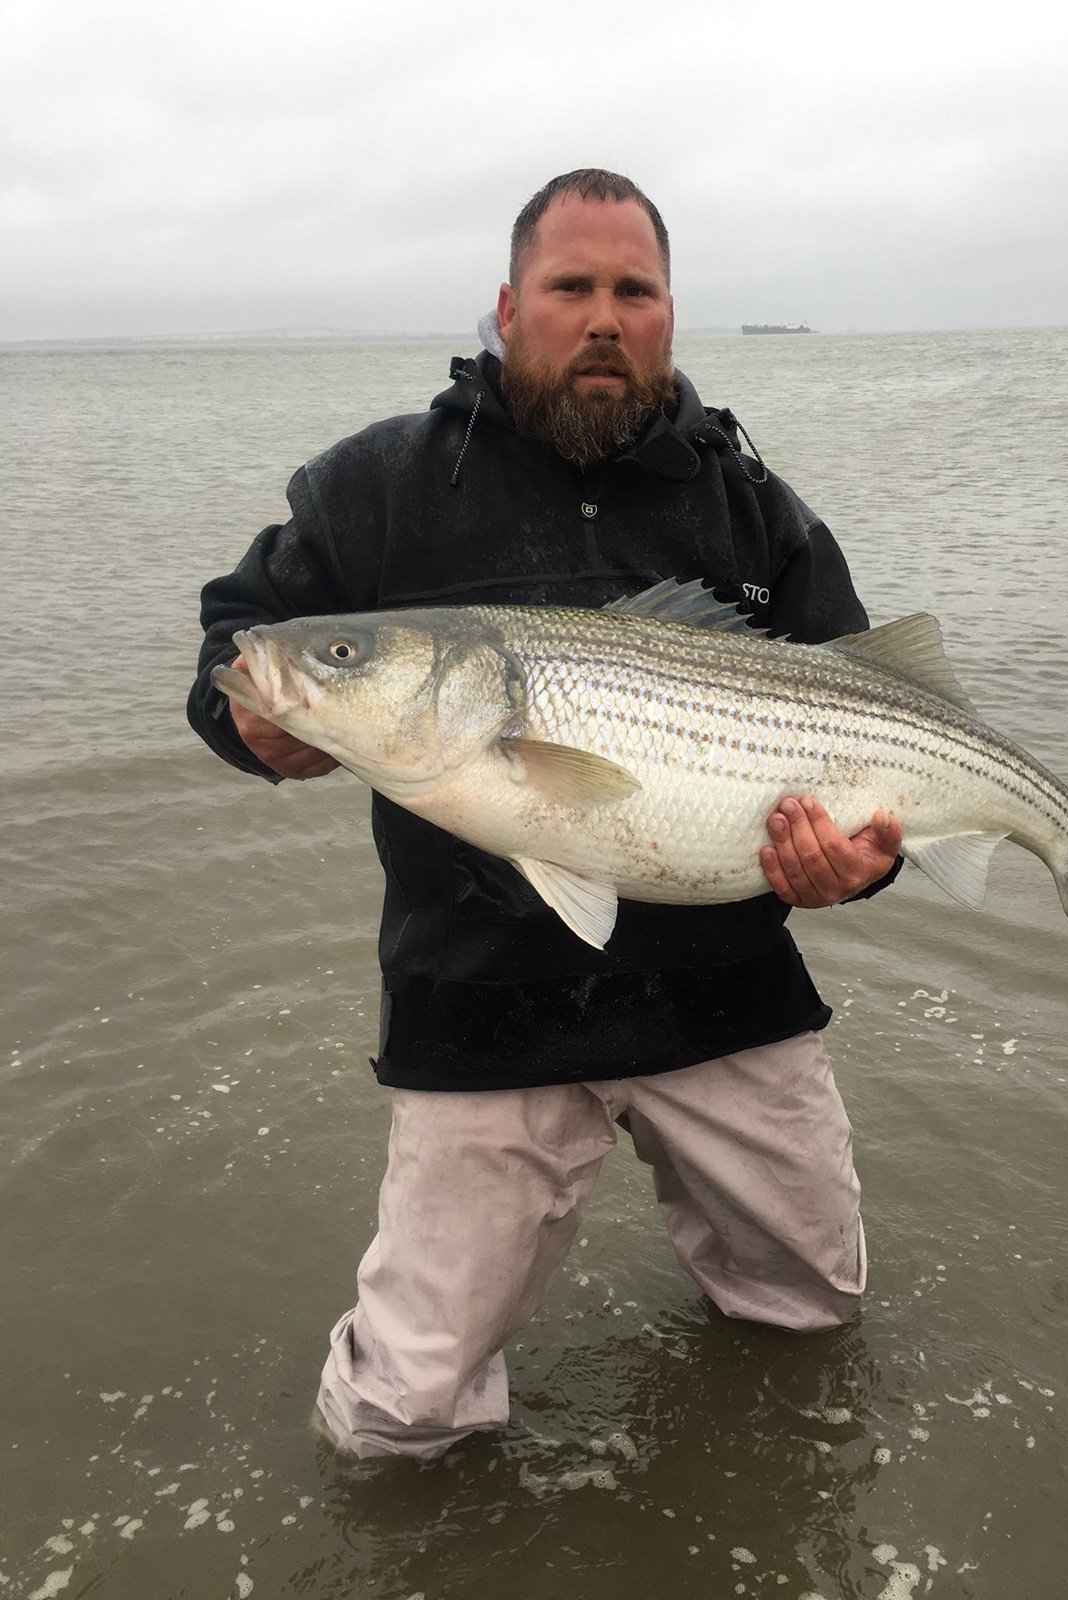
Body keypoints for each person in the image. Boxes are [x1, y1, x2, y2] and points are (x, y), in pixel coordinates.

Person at [187, 169, 903, 1461]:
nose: (604, 317)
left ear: (672, 315)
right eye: (572, 288)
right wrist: (248, 719)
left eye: (635, 291)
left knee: (812, 1318)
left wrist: (855, 866)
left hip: (727, 991)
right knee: (403, 1419)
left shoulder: (751, 505)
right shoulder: (377, 488)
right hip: (480, 1004)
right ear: (510, 305)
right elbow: (241, 642)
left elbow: (873, 739)